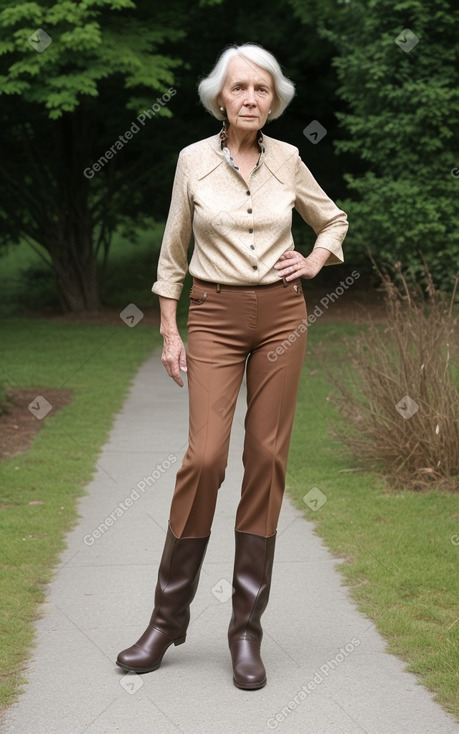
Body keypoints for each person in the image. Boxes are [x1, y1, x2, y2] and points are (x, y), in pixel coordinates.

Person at [116, 42, 348, 690]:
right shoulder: (192, 160)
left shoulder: (289, 159)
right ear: (220, 96)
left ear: (273, 102)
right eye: (239, 88)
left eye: (262, 90)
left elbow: (332, 219)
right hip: (213, 317)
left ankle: (245, 632)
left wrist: (312, 260)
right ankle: (166, 621)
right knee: (206, 457)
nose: (250, 98)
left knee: (267, 457)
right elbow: (172, 253)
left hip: (279, 317)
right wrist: (168, 330)